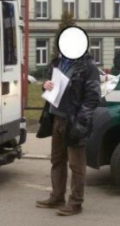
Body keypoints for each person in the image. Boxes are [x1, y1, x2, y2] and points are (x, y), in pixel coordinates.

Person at [35, 31, 101, 216]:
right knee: (57, 160)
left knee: (76, 164)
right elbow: (49, 83)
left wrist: (81, 122)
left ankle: (75, 202)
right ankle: (57, 197)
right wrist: (45, 85)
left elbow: (92, 98)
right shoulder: (58, 61)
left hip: (74, 121)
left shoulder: (87, 66)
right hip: (56, 117)